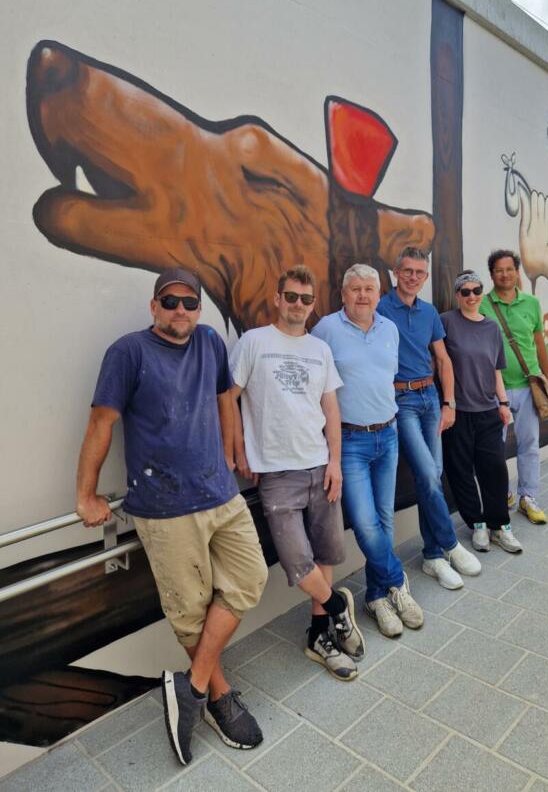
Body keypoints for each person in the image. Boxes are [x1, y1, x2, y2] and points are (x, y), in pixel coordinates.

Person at [75, 267, 268, 766]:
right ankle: (219, 698)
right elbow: (101, 422)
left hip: (220, 493)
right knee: (190, 611)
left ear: (199, 309)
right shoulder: (128, 352)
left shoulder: (209, 341)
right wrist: (86, 494)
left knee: (251, 576)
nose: (180, 310)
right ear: (154, 305)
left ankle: (192, 687)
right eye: (170, 301)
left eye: (189, 302)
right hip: (163, 507)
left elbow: (225, 398)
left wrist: (231, 452)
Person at [229, 265, 365, 682]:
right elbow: (227, 399)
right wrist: (236, 450)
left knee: (325, 554)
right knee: (297, 561)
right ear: (277, 298)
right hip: (276, 472)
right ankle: (340, 608)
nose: (298, 305)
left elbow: (331, 410)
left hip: (319, 463)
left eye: (306, 300)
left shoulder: (319, 349)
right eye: (291, 297)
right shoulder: (253, 342)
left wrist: (336, 462)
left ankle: (320, 636)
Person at [312, 264, 424, 638]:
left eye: (369, 289)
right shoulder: (325, 330)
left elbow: (388, 378)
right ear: (343, 294)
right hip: (351, 442)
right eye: (355, 289)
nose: (362, 295)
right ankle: (397, 582)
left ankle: (377, 596)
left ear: (379, 294)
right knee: (363, 523)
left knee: (384, 521)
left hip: (387, 435)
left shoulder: (388, 329)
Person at [377, 247, 481, 590]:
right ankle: (450, 544)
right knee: (426, 472)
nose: (413, 277)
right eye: (407, 271)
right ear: (395, 272)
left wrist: (449, 402)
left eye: (420, 273)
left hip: (430, 398)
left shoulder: (429, 312)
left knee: (431, 476)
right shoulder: (379, 309)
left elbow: (443, 358)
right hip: (401, 400)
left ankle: (433, 555)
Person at [440, 271, 523, 554]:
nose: (472, 296)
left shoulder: (491, 328)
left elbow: (495, 370)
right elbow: (440, 363)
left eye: (476, 290)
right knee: (461, 471)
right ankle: (477, 524)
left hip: (488, 410)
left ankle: (500, 526)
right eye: (465, 292)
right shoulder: (446, 322)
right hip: (458, 413)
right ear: (457, 295)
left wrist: (503, 404)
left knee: (495, 470)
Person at [481, 250, 548, 525]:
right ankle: (504, 494)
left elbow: (538, 342)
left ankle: (529, 497)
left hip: (527, 385)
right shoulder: (483, 304)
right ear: (492, 275)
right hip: (493, 391)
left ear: (516, 271)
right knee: (493, 448)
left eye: (509, 269)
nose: (504, 274)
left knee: (529, 444)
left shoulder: (531, 303)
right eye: (499, 270)